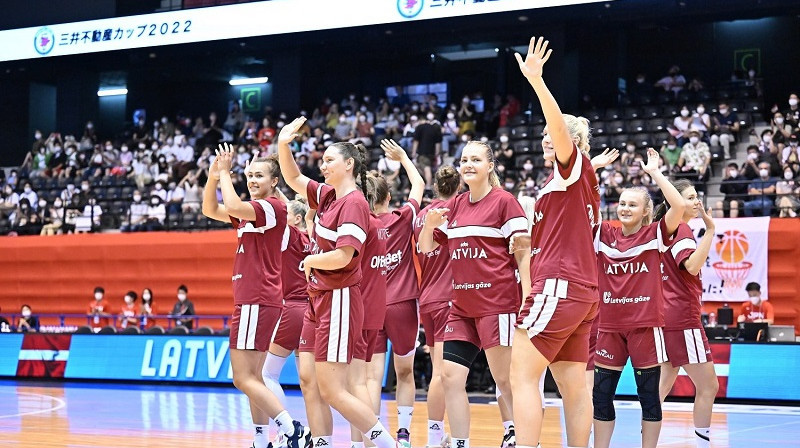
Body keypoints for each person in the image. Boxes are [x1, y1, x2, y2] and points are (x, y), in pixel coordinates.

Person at [277, 116, 409, 448]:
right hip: (316, 300)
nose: (323, 165)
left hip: (337, 298)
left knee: (334, 389)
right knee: (308, 380)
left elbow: (345, 256)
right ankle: (321, 443)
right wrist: (282, 143)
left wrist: (310, 260)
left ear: (348, 164)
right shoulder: (327, 196)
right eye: (322, 160)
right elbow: (292, 177)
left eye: (329, 160)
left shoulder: (354, 203)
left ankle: (387, 444)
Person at [508, 36, 601, 448]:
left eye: (555, 133)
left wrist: (537, 82)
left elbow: (561, 131)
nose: (548, 137)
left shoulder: (572, 168)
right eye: (545, 134)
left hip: (560, 286)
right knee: (574, 387)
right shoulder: (573, 182)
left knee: (522, 375)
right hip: (582, 293)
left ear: (573, 143)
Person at [418, 142, 530, 448]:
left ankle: (523, 437)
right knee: (451, 378)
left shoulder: (505, 202)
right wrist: (428, 227)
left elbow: (523, 251)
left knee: (505, 381)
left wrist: (529, 296)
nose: (468, 164)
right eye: (464, 159)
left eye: (476, 159)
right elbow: (427, 248)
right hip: (461, 308)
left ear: (490, 165)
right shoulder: (455, 205)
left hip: (497, 307)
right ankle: (460, 443)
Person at [202, 145, 312, 448]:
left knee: (241, 377)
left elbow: (234, 205)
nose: (252, 180)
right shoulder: (255, 212)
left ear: (274, 181)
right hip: (260, 298)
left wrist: (225, 172)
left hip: (256, 297)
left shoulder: (271, 207)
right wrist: (213, 178)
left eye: (258, 175)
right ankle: (261, 439)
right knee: (256, 377)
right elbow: (210, 210)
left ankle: (292, 429)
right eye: (249, 175)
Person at [591, 148, 686, 448]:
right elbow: (582, 203)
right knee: (601, 396)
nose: (625, 208)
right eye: (621, 203)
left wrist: (655, 173)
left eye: (632, 205)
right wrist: (591, 169)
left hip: (645, 327)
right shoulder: (603, 233)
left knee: (649, 398)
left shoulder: (655, 235)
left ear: (646, 211)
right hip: (608, 328)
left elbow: (679, 206)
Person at [653, 180, 719, 448]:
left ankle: (648, 439)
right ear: (674, 201)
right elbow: (691, 266)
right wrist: (711, 231)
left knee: (662, 386)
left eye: (697, 196)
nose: (697, 202)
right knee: (709, 386)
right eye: (690, 198)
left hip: (664, 316)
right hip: (682, 317)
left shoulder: (663, 229)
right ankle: (703, 444)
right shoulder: (681, 229)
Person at [374, 138, 425, 443]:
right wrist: (404, 158)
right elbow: (418, 183)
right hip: (403, 305)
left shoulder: (359, 222)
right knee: (404, 373)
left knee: (369, 378)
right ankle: (403, 435)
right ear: (389, 197)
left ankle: (370, 436)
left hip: (369, 306)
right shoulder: (403, 217)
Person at [413, 165, 460, 448]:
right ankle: (434, 439)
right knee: (444, 374)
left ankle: (437, 436)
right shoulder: (455, 211)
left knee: (438, 373)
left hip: (427, 297)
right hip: (447, 297)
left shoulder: (421, 216)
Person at [260, 197, 311, 447]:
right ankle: (317, 435)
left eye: (287, 214)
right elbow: (286, 204)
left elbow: (278, 210)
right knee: (307, 381)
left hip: (292, 308)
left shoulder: (290, 235)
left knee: (266, 374)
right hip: (313, 311)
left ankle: (288, 430)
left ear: (297, 218)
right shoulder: (314, 238)